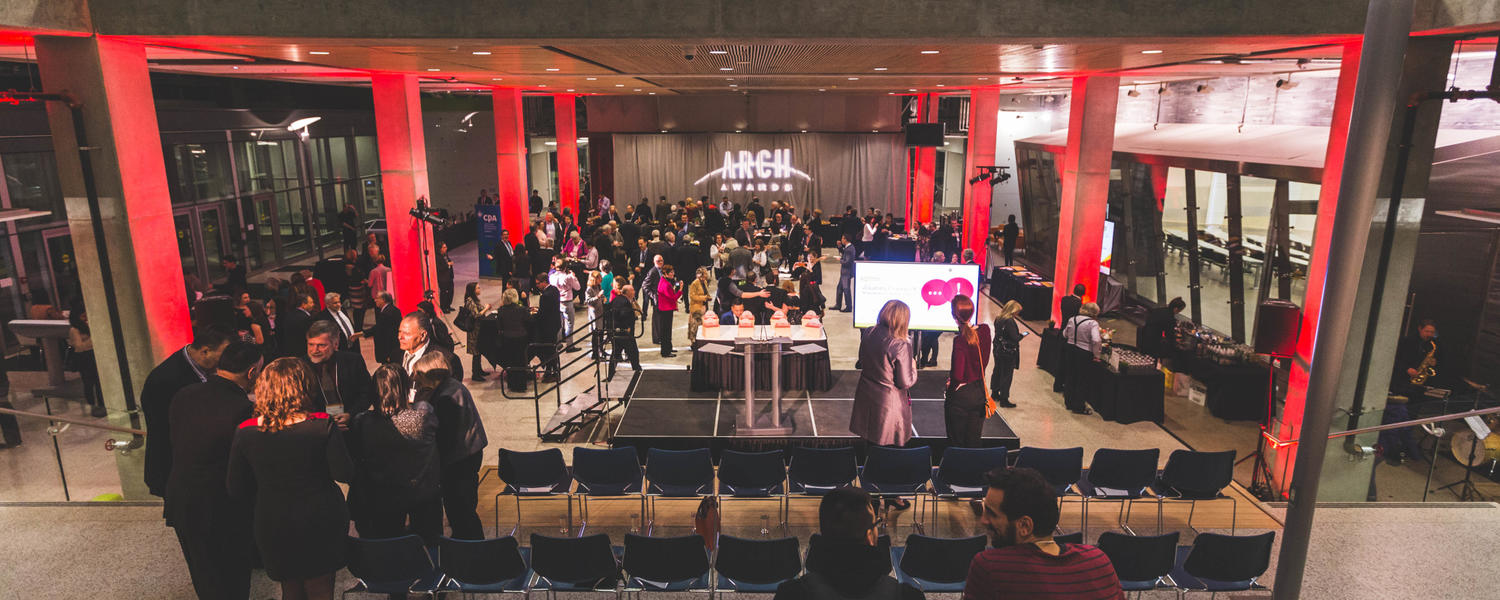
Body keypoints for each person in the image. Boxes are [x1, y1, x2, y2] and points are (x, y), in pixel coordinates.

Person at [227, 358, 354, 600]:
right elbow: (344, 473)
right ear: (304, 387)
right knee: (321, 589)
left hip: (273, 518)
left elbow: (236, 487)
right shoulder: (322, 425)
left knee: (290, 588)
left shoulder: (245, 430)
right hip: (320, 516)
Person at [165, 341, 262, 600]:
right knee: (232, 576)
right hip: (223, 504)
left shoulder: (184, 394)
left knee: (203, 573)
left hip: (182, 498)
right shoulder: (243, 409)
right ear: (252, 372)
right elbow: (246, 465)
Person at [964, 467, 1125, 600]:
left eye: (991, 514)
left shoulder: (990, 567)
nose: (983, 520)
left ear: (1025, 526)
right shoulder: (1098, 561)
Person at [773, 486, 923, 600]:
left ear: (823, 532)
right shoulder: (908, 596)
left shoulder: (789, 594)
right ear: (869, 536)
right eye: (876, 524)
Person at [348, 364, 442, 544]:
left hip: (382, 496)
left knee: (388, 547)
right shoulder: (423, 415)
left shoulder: (362, 422)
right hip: (422, 493)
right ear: (405, 388)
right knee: (429, 545)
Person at [143, 326, 234, 498]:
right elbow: (172, 431)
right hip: (177, 470)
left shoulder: (197, 367)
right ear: (205, 351)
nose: (226, 361)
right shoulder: (167, 380)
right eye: (223, 354)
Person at [412, 351, 489, 539]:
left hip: (460, 459)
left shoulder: (446, 397)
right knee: (462, 508)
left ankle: (470, 546)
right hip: (468, 453)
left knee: (460, 510)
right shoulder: (450, 386)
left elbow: (444, 437)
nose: (415, 379)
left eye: (418, 374)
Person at [850, 300, 917, 509]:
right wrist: (914, 367)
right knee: (892, 452)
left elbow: (862, 360)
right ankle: (891, 496)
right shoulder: (901, 344)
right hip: (890, 404)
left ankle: (871, 498)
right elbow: (905, 381)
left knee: (872, 449)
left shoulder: (869, 332)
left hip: (867, 397)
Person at [302, 320, 372, 423]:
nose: (315, 350)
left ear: (335, 344)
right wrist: (324, 422)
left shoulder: (353, 361)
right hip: (317, 425)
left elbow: (367, 394)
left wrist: (350, 414)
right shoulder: (301, 366)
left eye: (321, 345)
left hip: (353, 421)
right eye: (311, 344)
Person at [946, 295, 992, 449]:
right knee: (973, 442)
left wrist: (950, 388)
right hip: (979, 393)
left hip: (960, 398)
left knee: (957, 443)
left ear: (954, 316)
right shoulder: (985, 331)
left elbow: (957, 375)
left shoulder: (960, 341)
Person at [1061, 302, 1101, 415]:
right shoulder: (1092, 323)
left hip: (1070, 349)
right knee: (1082, 379)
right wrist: (1097, 355)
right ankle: (1078, 406)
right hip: (1084, 352)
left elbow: (1064, 334)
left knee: (1070, 376)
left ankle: (1068, 402)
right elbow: (1096, 340)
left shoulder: (1072, 319)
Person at [67, 307, 106, 417]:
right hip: (84, 358)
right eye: (83, 316)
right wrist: (93, 338)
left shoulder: (87, 326)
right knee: (88, 383)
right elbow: (79, 347)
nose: (85, 318)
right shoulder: (74, 330)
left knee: (99, 382)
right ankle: (91, 406)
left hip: (93, 355)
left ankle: (102, 405)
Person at [495, 288, 532, 391]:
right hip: (521, 338)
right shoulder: (522, 310)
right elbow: (529, 321)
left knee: (510, 361)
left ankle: (511, 384)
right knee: (521, 361)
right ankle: (521, 385)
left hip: (507, 338)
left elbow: (499, 326)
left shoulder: (501, 311)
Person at [991, 300, 1024, 409]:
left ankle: (994, 393)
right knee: (1006, 375)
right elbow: (1015, 337)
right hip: (1007, 352)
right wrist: (1022, 335)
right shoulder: (1010, 321)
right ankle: (1004, 399)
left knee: (997, 370)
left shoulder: (998, 318)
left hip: (997, 349)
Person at [606, 285, 642, 381]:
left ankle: (610, 375)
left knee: (616, 353)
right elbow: (624, 315)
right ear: (628, 292)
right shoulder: (625, 302)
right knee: (633, 352)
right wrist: (627, 328)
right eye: (632, 290)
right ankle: (637, 371)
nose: (634, 291)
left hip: (616, 331)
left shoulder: (617, 299)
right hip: (624, 333)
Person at [549, 255, 582, 352]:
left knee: (559, 323)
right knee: (569, 324)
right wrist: (574, 277)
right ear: (565, 267)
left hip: (557, 301)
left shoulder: (551, 277)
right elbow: (578, 287)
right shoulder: (568, 277)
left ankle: (558, 344)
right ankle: (570, 345)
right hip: (567, 301)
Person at [462, 282, 493, 382]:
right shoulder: (470, 301)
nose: (480, 289)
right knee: (476, 352)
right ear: (473, 290)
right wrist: (486, 308)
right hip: (474, 330)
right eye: (478, 288)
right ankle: (475, 374)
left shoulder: (474, 300)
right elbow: (476, 315)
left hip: (478, 329)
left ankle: (479, 370)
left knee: (478, 351)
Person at [655, 265, 682, 357]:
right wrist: (680, 289)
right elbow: (673, 297)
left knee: (667, 330)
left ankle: (668, 347)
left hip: (665, 308)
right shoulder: (665, 284)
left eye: (673, 272)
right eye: (671, 272)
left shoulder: (664, 280)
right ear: (665, 273)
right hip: (666, 310)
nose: (673, 274)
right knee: (665, 332)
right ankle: (665, 352)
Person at [280, 293, 316, 359]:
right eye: (311, 303)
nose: (313, 304)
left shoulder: (288, 315)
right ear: (303, 304)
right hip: (302, 353)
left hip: (289, 351)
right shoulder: (306, 318)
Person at [372, 292, 402, 363]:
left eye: (377, 298)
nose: (375, 300)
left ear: (383, 300)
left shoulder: (386, 314)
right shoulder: (394, 309)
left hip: (388, 351)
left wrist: (362, 333)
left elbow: (381, 331)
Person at [832, 235, 856, 312]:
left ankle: (849, 307)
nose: (841, 240)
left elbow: (847, 262)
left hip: (846, 272)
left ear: (846, 239)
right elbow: (844, 253)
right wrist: (839, 247)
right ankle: (838, 305)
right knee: (839, 288)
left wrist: (840, 260)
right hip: (845, 272)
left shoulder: (849, 249)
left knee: (846, 289)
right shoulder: (848, 247)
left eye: (842, 238)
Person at [436, 242, 456, 312]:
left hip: (449, 277)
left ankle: (448, 306)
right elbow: (439, 268)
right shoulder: (437, 257)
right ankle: (443, 308)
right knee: (444, 293)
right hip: (443, 278)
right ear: (440, 249)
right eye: (444, 247)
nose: (446, 249)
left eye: (446, 247)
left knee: (451, 292)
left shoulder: (445, 254)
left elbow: (448, 261)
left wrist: (449, 263)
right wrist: (448, 264)